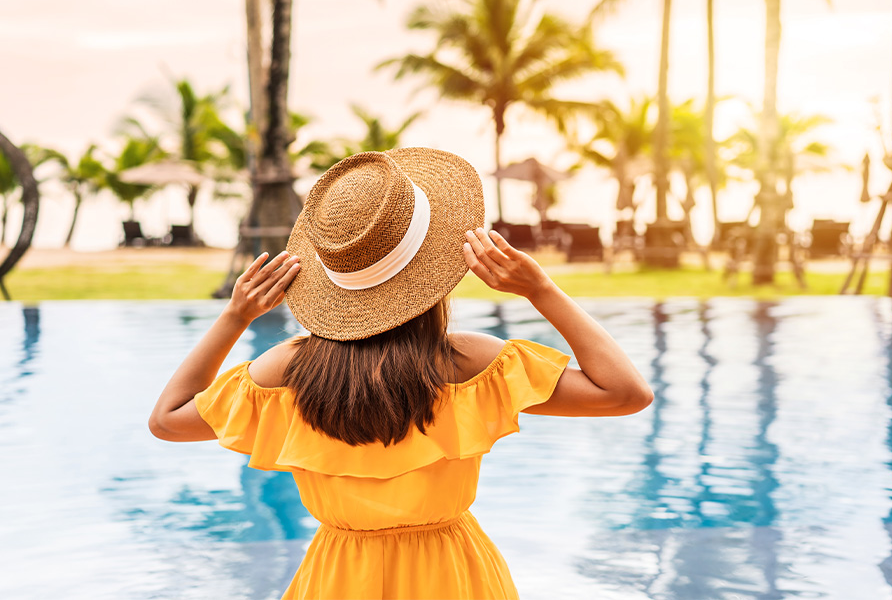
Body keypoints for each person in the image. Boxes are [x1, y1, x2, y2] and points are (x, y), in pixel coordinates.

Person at [148, 147, 653, 599]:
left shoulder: (286, 370)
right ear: (434, 271)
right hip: (454, 577)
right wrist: (541, 289)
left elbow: (168, 420)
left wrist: (235, 317)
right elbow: (625, 393)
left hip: (339, 577)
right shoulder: (469, 365)